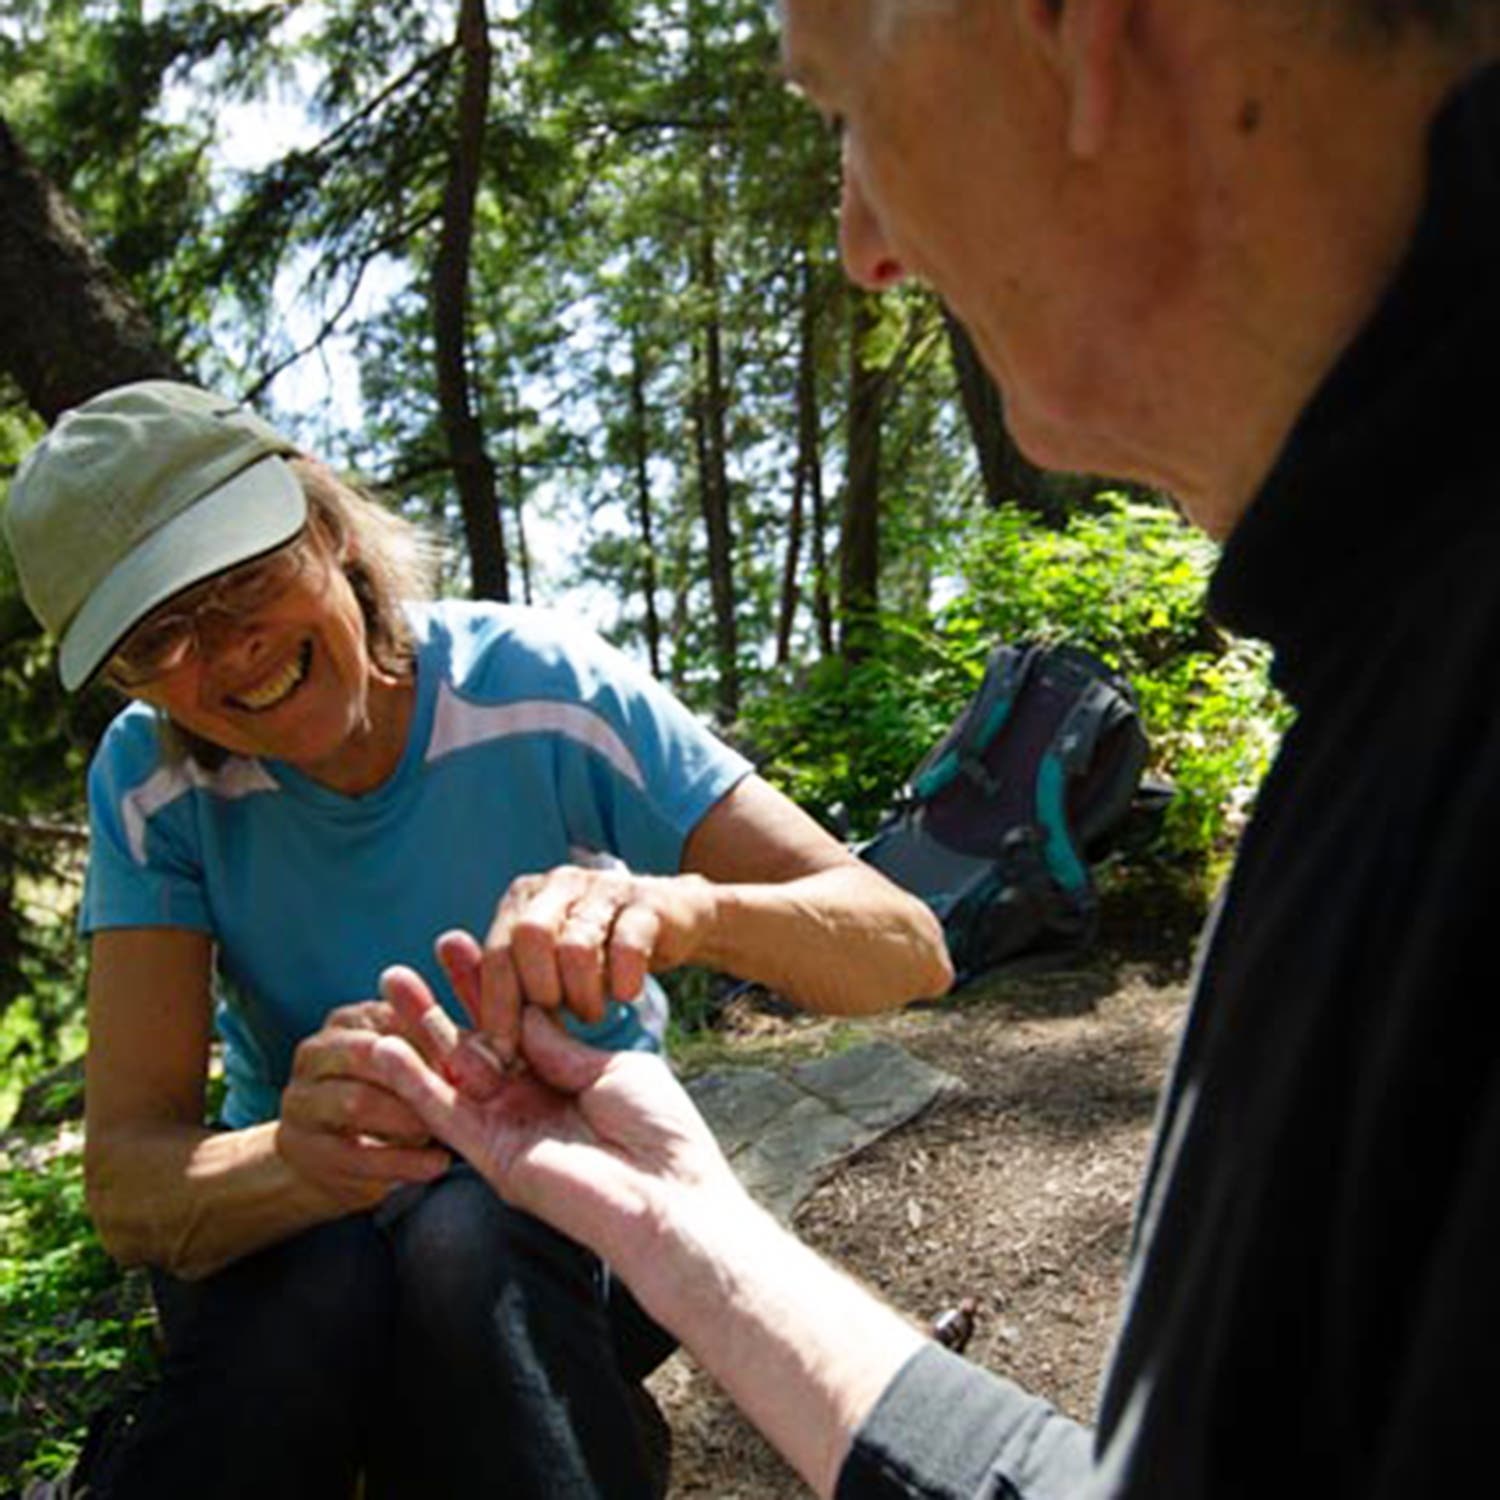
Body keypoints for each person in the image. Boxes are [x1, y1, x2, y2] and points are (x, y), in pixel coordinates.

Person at [352, 1, 1500, 1496]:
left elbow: (900, 941)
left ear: (1074, 30)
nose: (862, 242)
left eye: (844, 111)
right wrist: (678, 1228)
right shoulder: (1396, 663)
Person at [0, 378, 953, 1499]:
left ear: (328, 527)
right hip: (318, 1241)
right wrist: (298, 1159)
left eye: (245, 579)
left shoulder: (539, 688)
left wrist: (674, 908)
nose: (228, 652)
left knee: (468, 1244)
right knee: (313, 1294)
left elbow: (904, 946)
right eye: (159, 639)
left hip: (576, 1223)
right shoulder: (151, 781)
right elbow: (129, 1186)